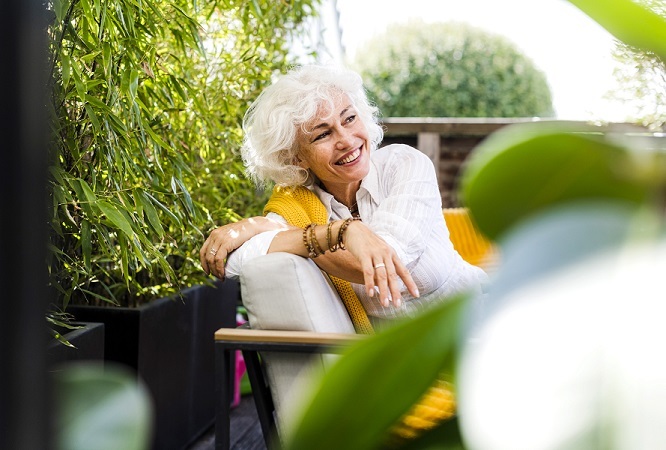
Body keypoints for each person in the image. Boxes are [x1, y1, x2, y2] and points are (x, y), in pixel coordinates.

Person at [200, 64, 486, 328]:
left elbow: (386, 262)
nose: (347, 140)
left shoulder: (405, 164)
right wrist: (340, 233)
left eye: (349, 119)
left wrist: (285, 232)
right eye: (322, 135)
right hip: (414, 361)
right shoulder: (299, 205)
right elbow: (236, 260)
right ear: (296, 157)